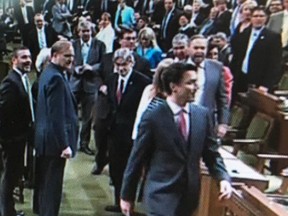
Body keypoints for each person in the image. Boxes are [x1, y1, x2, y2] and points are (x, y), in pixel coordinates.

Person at [120, 62, 232, 216]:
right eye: (190, 83)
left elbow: (211, 154)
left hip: (188, 197)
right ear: (174, 87)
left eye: (196, 82)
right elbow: (137, 158)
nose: (196, 87)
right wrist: (127, 196)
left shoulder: (202, 115)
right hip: (159, 194)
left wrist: (223, 178)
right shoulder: (153, 116)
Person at [34, 40, 78, 216]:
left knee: (45, 185)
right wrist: (64, 145)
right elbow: (56, 116)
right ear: (54, 56)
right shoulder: (56, 78)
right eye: (67, 56)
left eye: (72, 56)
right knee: (52, 189)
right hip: (54, 145)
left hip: (45, 141)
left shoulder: (48, 73)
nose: (71, 60)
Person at [105, 48, 150, 213]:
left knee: (131, 170)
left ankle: (129, 203)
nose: (121, 68)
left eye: (124, 64)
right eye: (118, 65)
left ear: (131, 63)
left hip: (133, 134)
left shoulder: (143, 82)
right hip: (114, 133)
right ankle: (118, 201)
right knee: (116, 170)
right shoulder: (111, 79)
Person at [0, 47, 33, 216]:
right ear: (14, 60)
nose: (28, 60)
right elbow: (3, 114)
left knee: (13, 175)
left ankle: (9, 210)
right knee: (9, 177)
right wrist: (7, 140)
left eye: (29, 57)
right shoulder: (10, 82)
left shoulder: (22, 79)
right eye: (23, 57)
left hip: (19, 138)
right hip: (12, 140)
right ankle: (6, 212)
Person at [70, 20, 106, 156]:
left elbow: (103, 63)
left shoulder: (99, 45)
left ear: (92, 31)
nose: (85, 33)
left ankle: (84, 143)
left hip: (91, 83)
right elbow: (68, 61)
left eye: (88, 31)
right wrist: (75, 69)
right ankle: (71, 142)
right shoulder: (73, 44)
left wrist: (92, 67)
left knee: (88, 116)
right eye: (82, 31)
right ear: (78, 32)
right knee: (71, 115)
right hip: (74, 83)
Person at [230, 6, 282, 99]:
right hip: (240, 78)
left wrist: (266, 85)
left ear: (266, 18)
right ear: (251, 18)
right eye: (256, 16)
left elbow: (275, 64)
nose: (258, 19)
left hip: (258, 81)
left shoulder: (273, 37)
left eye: (261, 16)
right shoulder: (244, 33)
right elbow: (236, 57)